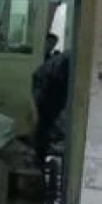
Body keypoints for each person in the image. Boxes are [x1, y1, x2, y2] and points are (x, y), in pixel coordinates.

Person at [32, 33, 69, 166]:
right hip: (48, 89)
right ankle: (39, 158)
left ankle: (40, 156)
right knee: (45, 125)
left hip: (48, 87)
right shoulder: (67, 62)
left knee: (45, 124)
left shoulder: (65, 58)